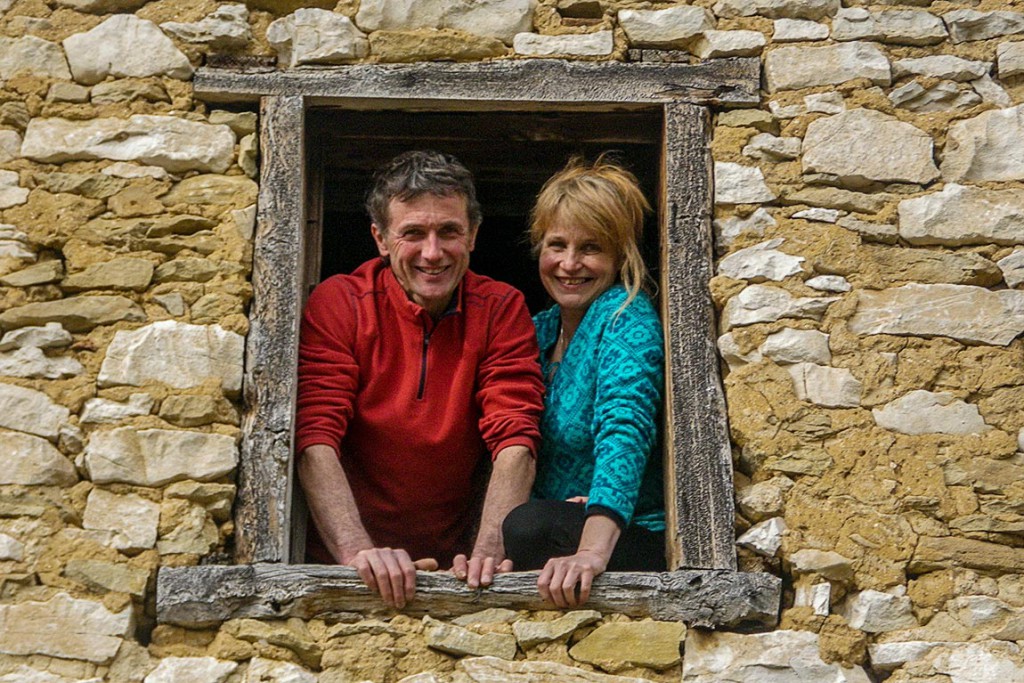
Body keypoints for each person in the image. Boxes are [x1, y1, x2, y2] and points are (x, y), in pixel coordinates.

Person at [296, 150, 545, 609]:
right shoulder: (341, 303)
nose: (433, 253)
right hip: (340, 566)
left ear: (472, 234)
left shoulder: (500, 308)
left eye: (449, 231)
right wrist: (359, 554)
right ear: (381, 239)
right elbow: (314, 438)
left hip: (455, 566)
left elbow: (515, 438)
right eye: (413, 233)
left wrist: (485, 557)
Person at [503, 155, 666, 608]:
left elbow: (624, 431)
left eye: (591, 248)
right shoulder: (537, 329)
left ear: (620, 255)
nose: (569, 264)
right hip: (562, 522)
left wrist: (590, 552)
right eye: (557, 245)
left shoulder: (625, 317)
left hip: (624, 531)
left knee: (528, 527)